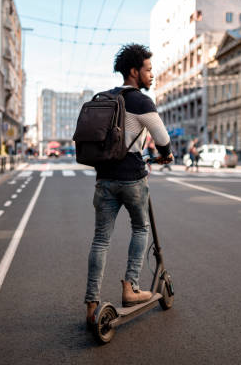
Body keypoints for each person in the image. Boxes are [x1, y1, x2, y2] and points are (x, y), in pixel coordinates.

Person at [85, 43, 173, 328]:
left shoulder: (105, 97)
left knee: (101, 240)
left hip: (104, 180)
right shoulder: (141, 102)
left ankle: (91, 304)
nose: (152, 74)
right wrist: (166, 155)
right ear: (134, 71)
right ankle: (131, 287)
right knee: (140, 228)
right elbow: (162, 139)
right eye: (148, 69)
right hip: (132, 178)